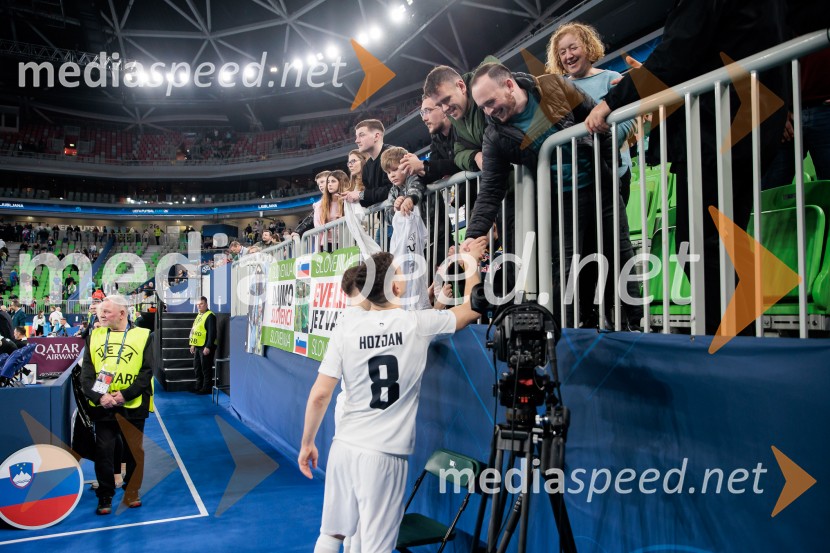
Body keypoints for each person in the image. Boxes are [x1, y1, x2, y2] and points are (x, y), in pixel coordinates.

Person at [584, 0, 788, 333]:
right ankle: (736, 336)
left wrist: (612, 101)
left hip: (720, 126)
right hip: (738, 119)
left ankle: (732, 341)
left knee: (702, 244)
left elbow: (677, 52)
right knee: (710, 242)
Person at [298, 243, 486, 553]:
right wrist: (469, 262)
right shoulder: (415, 324)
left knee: (331, 535)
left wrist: (307, 443)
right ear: (396, 286)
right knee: (377, 546)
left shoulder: (346, 328)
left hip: (345, 446)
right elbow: (472, 308)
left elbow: (320, 395)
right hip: (385, 453)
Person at [463, 62, 642, 329]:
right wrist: (473, 233)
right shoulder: (494, 136)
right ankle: (565, 337)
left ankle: (638, 327)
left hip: (600, 187)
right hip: (561, 202)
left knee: (621, 255)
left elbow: (595, 118)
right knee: (567, 271)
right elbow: (491, 189)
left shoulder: (554, 85)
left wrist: (609, 168)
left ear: (510, 85)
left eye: (491, 102)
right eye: (483, 107)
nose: (489, 111)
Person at [547, 21, 635, 204]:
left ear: (587, 47)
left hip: (612, 172)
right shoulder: (556, 90)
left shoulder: (611, 78)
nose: (568, 56)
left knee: (612, 231)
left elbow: (629, 121)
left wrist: (599, 144)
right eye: (562, 52)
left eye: (573, 48)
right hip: (574, 180)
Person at [80, 296, 154, 515]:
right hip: (103, 404)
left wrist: (124, 394)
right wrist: (100, 396)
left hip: (132, 404)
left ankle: (132, 491)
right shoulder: (94, 335)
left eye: (106, 312)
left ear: (122, 313)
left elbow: (147, 371)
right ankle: (105, 494)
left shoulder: (143, 336)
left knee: (134, 451)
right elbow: (86, 373)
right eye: (100, 312)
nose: (100, 315)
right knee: (104, 450)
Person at [340, 120, 394, 209]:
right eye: (356, 136)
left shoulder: (392, 154)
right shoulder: (367, 167)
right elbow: (370, 200)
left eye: (361, 135)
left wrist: (361, 195)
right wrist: (354, 197)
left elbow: (393, 189)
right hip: (387, 219)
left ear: (376, 136)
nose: (356, 141)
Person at [189, 296, 217, 395]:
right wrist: (192, 344)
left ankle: (206, 388)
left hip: (205, 346)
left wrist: (208, 346)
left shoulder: (210, 316)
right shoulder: (199, 315)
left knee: (206, 368)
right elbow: (194, 330)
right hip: (197, 346)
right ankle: (198, 386)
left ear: (206, 304)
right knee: (197, 367)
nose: (199, 306)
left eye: (201, 304)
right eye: (198, 304)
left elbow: (212, 333)